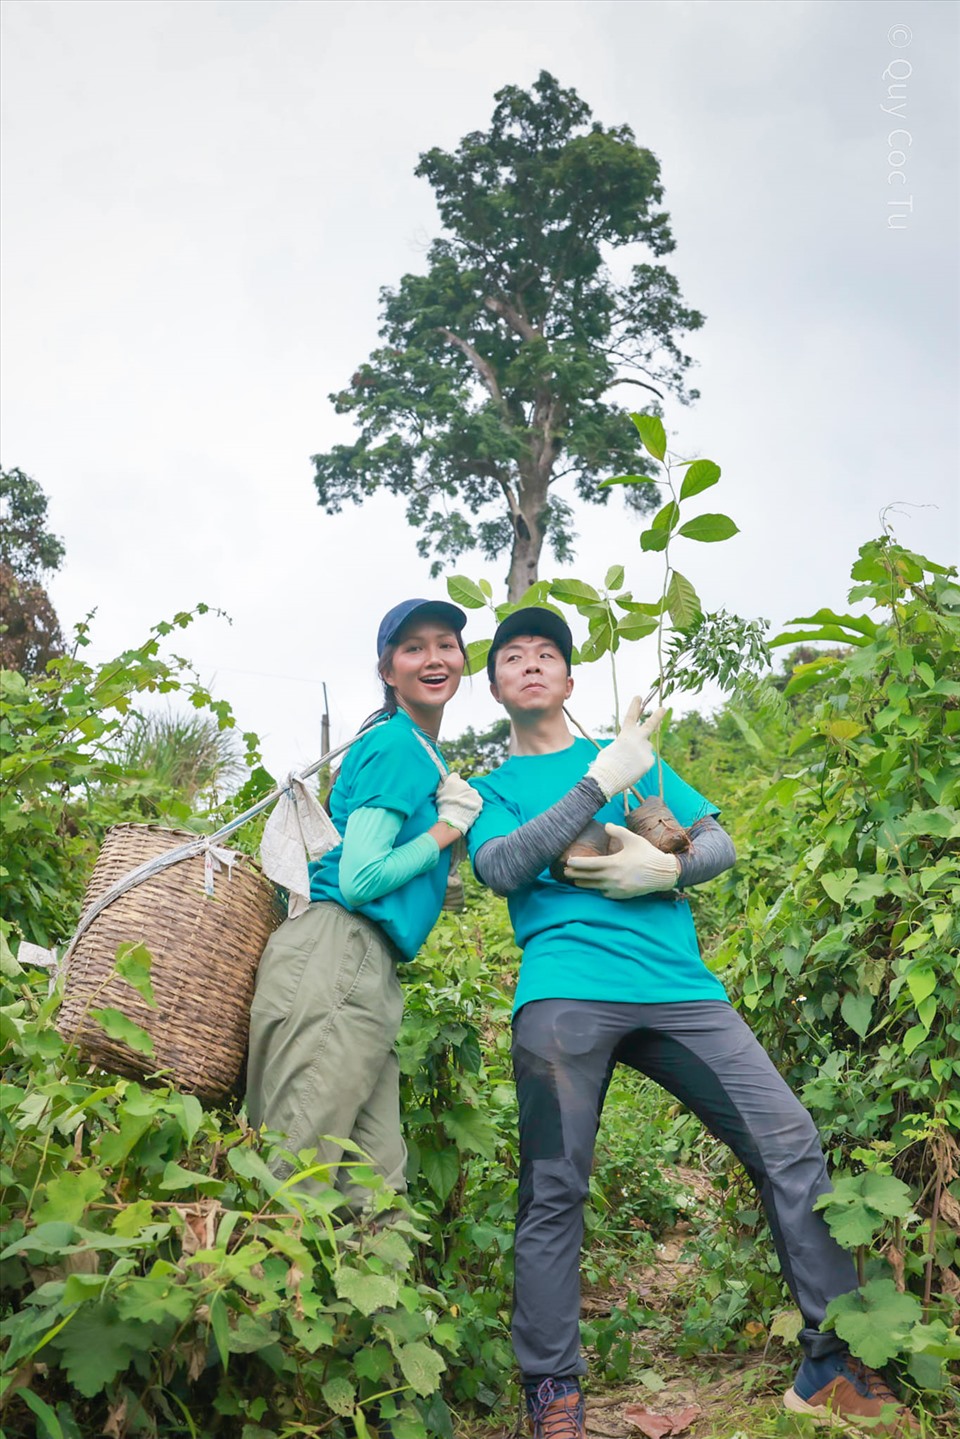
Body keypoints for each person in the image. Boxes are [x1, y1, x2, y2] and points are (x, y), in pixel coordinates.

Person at [466, 607, 918, 1439]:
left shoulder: (644, 763)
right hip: (566, 987)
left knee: (788, 1141)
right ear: (494, 685)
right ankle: (553, 1391)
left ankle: (829, 1365)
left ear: (568, 677)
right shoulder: (500, 788)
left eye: (546, 654)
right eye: (511, 657)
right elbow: (500, 865)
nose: (530, 664)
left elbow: (720, 846)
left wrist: (662, 865)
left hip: (681, 988)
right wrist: (598, 781)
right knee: (554, 1186)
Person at [246, 598, 483, 1209]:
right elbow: (361, 879)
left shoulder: (420, 752)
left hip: (361, 964)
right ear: (388, 670)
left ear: (463, 658)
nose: (434, 658)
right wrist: (446, 829)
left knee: (372, 1189)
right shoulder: (397, 745)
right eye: (413, 648)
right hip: (339, 949)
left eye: (446, 644)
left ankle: (371, 1302)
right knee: (295, 1172)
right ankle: (263, 1301)